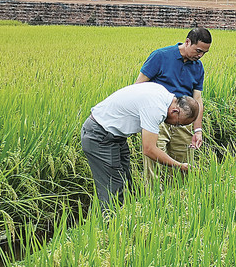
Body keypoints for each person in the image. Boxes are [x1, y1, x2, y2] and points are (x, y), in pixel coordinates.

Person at [81, 83, 199, 211]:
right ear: (175, 111)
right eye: (178, 123)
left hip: (116, 137)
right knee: (113, 190)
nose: (174, 126)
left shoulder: (163, 94)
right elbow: (149, 149)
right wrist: (179, 165)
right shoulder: (156, 108)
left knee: (126, 184)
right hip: (99, 136)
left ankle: (126, 219)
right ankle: (109, 221)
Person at [135, 27, 211, 185]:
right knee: (154, 163)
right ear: (187, 42)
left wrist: (197, 130)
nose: (200, 56)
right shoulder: (160, 56)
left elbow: (197, 100)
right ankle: (152, 197)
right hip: (158, 119)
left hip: (184, 120)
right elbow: (138, 87)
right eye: (198, 51)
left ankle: (178, 198)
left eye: (204, 53)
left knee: (183, 167)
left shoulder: (198, 67)